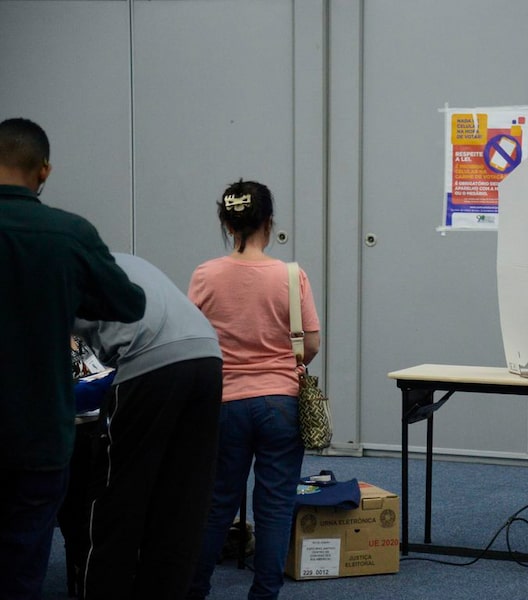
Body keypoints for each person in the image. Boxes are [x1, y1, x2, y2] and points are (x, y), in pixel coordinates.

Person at [0, 117, 146, 599]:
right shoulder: (69, 233)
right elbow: (129, 304)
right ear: (44, 170)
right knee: (23, 562)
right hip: (38, 433)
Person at [186, 179, 321, 600]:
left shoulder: (205, 275)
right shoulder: (292, 276)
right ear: (269, 222)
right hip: (281, 402)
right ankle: (264, 594)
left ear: (227, 225)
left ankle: (193, 590)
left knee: (216, 504)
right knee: (275, 506)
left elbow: (191, 339)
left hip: (225, 403)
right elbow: (311, 343)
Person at [74, 253, 223, 600]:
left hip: (149, 359)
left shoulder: (48, 269)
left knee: (116, 498)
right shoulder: (118, 259)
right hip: (207, 358)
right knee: (180, 503)